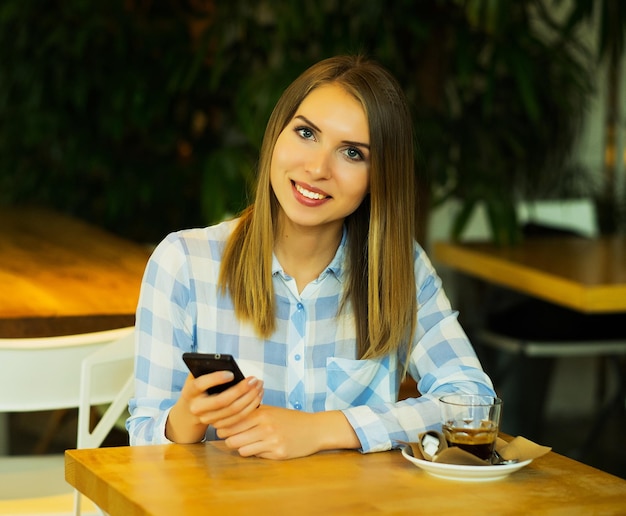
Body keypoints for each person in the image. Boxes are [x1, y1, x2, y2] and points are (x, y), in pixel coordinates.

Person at [127, 54, 495, 459]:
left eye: (352, 153)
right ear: (276, 136)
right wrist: (188, 419)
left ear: (379, 178)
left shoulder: (399, 268)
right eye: (306, 133)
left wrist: (323, 430)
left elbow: (473, 406)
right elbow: (142, 439)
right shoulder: (184, 263)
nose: (317, 168)